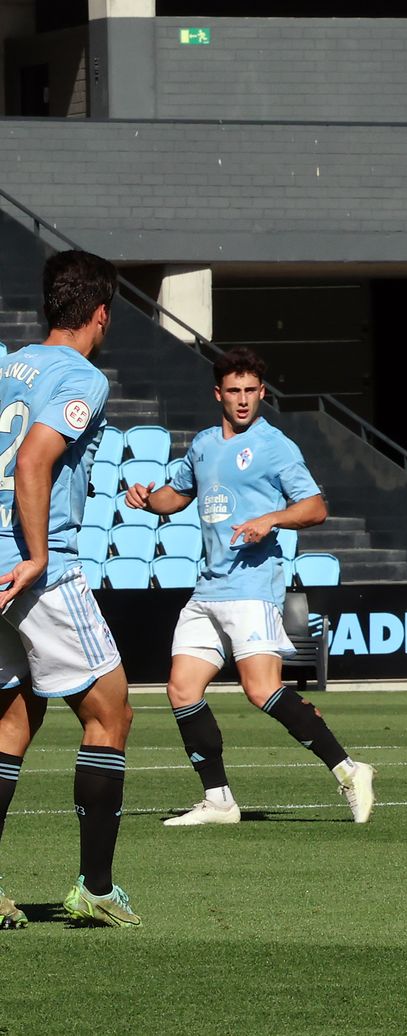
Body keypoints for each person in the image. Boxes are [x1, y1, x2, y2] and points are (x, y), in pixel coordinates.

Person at [124, 347, 375, 826]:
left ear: (262, 393)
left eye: (251, 391)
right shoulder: (201, 446)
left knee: (261, 691)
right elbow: (173, 497)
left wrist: (271, 519)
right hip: (208, 589)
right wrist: (144, 499)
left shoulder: (274, 445)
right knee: (181, 689)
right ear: (218, 393)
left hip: (253, 586)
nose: (242, 400)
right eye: (234, 391)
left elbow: (316, 507)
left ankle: (349, 769)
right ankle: (218, 800)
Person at [0, 250, 139, 927]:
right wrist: (32, 554)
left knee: (15, 714)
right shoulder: (81, 375)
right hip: (39, 569)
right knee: (111, 713)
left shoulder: (7, 366)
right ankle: (97, 888)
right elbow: (33, 458)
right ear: (102, 314)